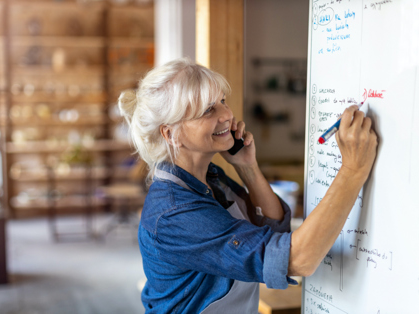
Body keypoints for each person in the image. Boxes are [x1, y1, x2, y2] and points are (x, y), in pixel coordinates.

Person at [118, 58, 377, 314]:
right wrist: (353, 170)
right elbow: (297, 259)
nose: (227, 115)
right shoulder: (175, 213)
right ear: (170, 133)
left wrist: (247, 168)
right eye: (208, 110)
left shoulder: (210, 178)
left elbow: (276, 229)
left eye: (221, 101)